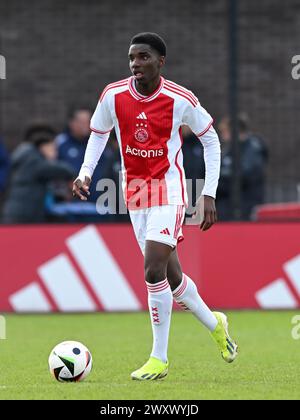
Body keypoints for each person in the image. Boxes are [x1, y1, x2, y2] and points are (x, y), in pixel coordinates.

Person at [72, 32, 238, 380]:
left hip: (170, 190)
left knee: (151, 271)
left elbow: (211, 140)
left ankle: (158, 358)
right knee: (171, 278)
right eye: (132, 58)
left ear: (160, 62)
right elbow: (99, 133)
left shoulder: (180, 99)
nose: (136, 64)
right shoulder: (113, 95)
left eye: (144, 57)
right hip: (134, 193)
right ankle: (215, 323)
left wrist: (209, 192)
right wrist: (86, 173)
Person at [2, 125, 74, 223]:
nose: (56, 153)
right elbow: (65, 170)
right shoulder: (34, 161)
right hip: (22, 215)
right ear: (44, 146)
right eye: (53, 148)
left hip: (20, 212)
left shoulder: (26, 156)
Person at [217, 114, 268, 220]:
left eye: (224, 131)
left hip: (247, 204)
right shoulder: (230, 150)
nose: (222, 135)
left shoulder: (252, 148)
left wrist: (222, 179)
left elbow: (245, 175)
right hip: (228, 204)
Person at [56, 107, 111, 203]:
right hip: (70, 202)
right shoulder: (61, 143)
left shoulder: (100, 144)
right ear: (71, 123)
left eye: (87, 121)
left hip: (98, 200)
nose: (85, 125)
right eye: (80, 121)